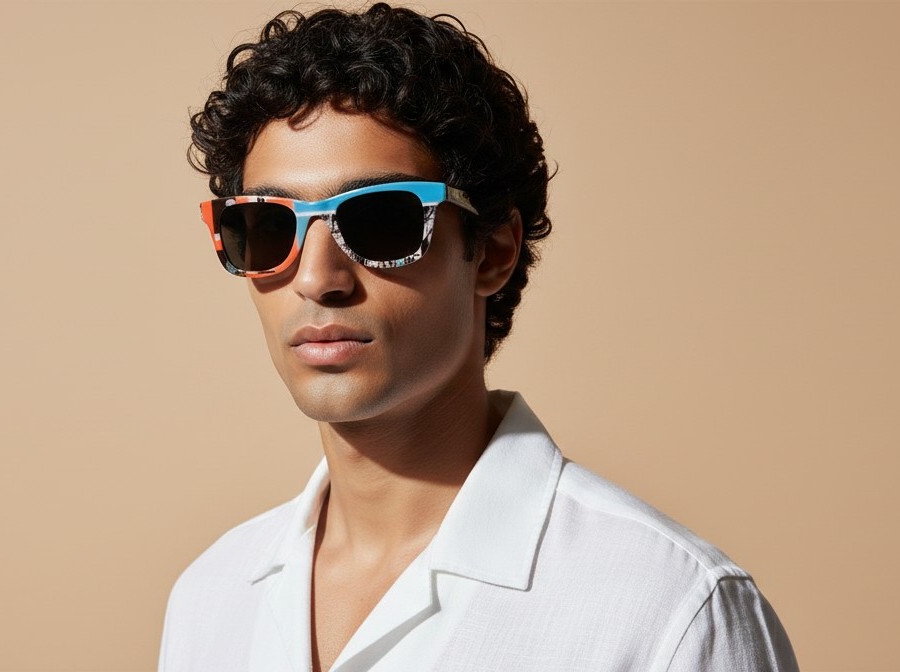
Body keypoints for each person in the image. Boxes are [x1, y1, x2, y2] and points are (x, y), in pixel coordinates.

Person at [158, 5, 799, 671]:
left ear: (492, 252)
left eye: (382, 220)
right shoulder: (211, 598)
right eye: (267, 226)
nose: (318, 278)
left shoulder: (669, 610)